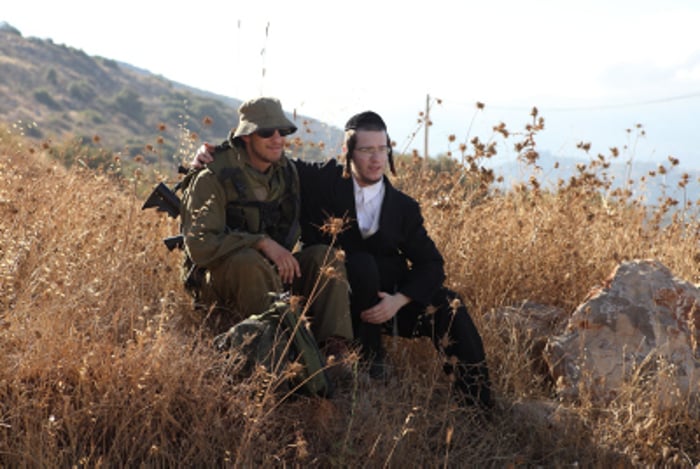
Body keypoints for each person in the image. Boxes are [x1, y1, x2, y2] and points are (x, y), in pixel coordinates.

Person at [194, 110, 492, 408]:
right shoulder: (321, 181)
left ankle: (478, 404)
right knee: (360, 263)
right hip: (334, 302)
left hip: (387, 305)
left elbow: (432, 264)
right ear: (348, 152)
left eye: (382, 149)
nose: (376, 159)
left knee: (450, 307)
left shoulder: (404, 207)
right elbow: (265, 153)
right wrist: (213, 154)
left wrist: (398, 300)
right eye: (366, 150)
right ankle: (362, 367)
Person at [180, 96, 353, 351]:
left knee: (325, 258)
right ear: (247, 136)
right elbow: (200, 246)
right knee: (249, 262)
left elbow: (334, 178)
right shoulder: (212, 176)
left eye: (282, 131)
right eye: (265, 132)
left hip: (270, 272)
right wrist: (261, 243)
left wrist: (370, 161)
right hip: (220, 278)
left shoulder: (285, 172)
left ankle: (333, 353)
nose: (276, 138)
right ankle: (277, 353)